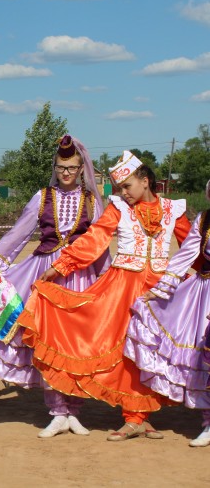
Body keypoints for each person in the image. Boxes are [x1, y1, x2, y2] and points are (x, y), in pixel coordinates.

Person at [19, 151, 191, 441]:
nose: (123, 193)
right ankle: (131, 416)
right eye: (120, 188)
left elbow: (191, 247)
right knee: (125, 351)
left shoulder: (174, 210)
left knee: (152, 352)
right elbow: (94, 239)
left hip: (161, 291)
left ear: (145, 181)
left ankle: (143, 416)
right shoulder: (119, 208)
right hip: (122, 288)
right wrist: (60, 266)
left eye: (127, 186)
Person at [0, 135, 108, 438]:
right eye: (61, 167)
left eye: (71, 167)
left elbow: (99, 247)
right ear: (55, 168)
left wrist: (107, 280)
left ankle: (74, 410)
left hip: (80, 277)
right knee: (48, 343)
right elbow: (19, 233)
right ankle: (57, 410)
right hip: (44, 276)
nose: (66, 172)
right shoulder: (42, 197)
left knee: (75, 345)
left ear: (81, 168)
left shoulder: (93, 202)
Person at [125, 178, 210, 447]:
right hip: (204, 293)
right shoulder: (204, 220)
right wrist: (161, 290)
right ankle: (209, 424)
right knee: (205, 358)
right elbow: (185, 255)